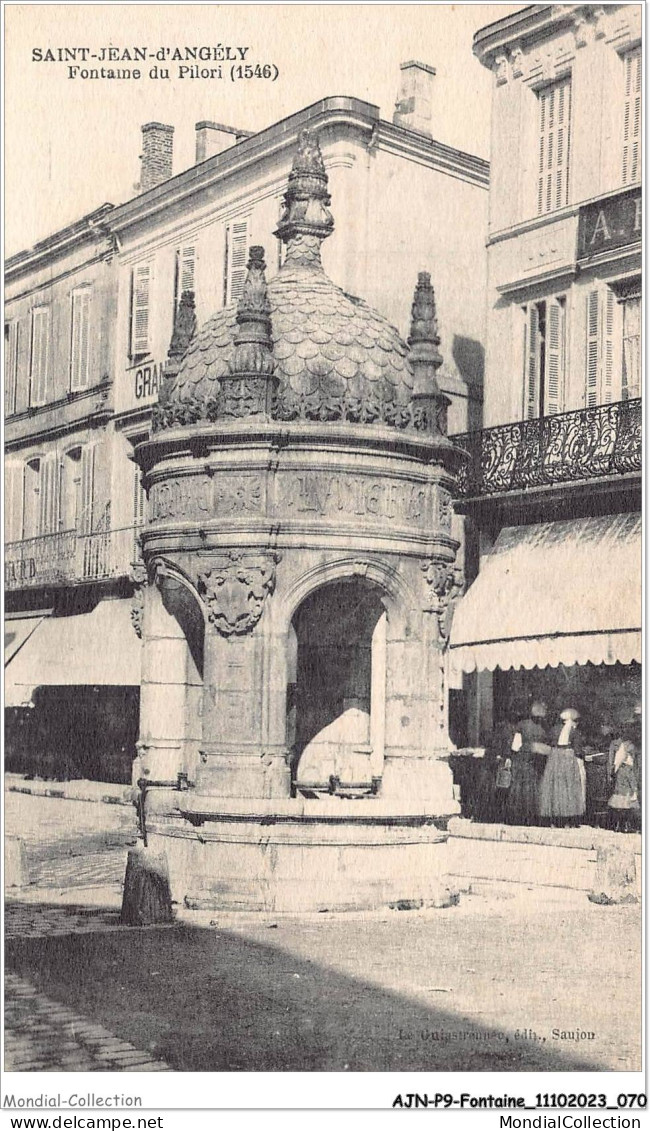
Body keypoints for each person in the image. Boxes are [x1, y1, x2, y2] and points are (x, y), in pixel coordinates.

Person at [539, 707, 586, 827]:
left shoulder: (554, 729)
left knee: (555, 786)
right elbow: (578, 750)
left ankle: (554, 817)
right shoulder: (574, 732)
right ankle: (567, 818)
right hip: (568, 758)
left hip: (554, 757)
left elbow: (547, 742)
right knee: (568, 787)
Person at [505, 701, 551, 825]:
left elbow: (515, 745)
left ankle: (517, 815)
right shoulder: (543, 728)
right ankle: (532, 815)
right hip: (535, 761)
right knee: (533, 788)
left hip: (522, 759)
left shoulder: (522, 725)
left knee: (519, 788)